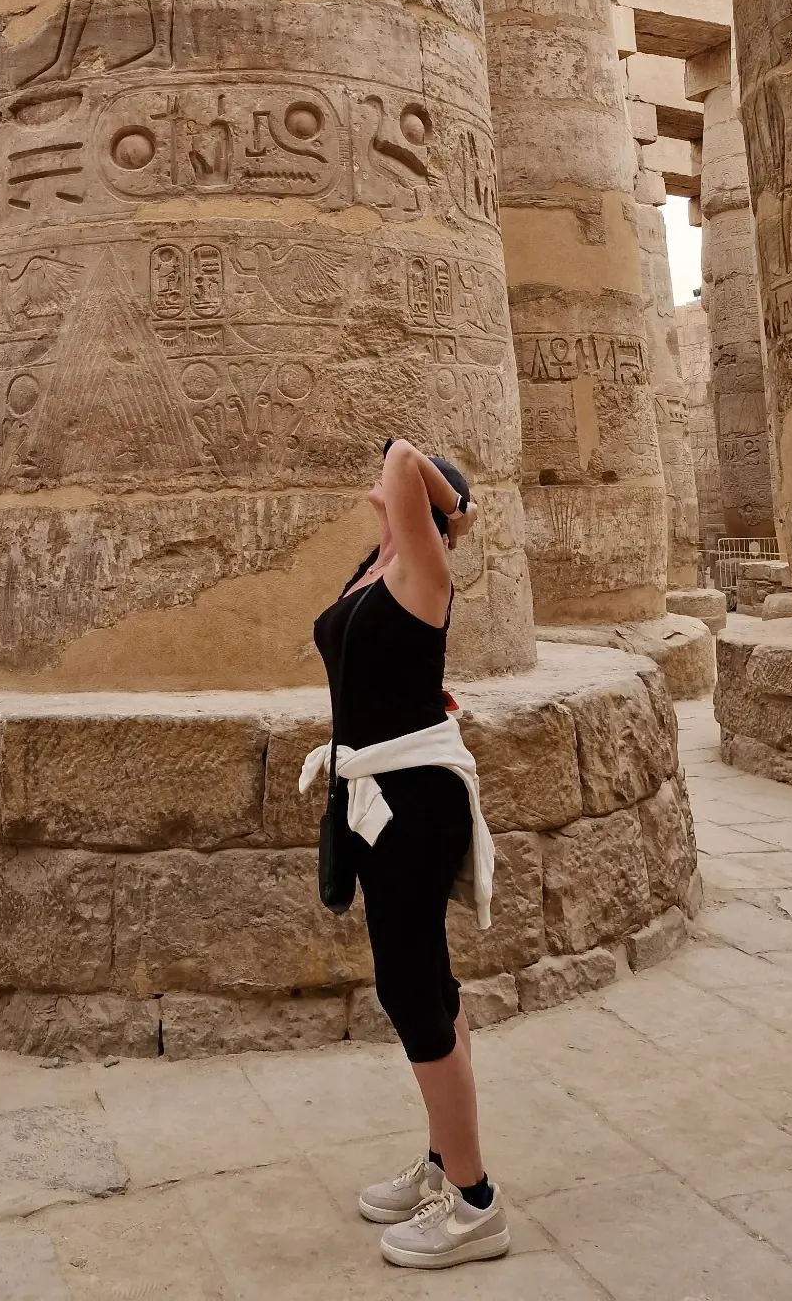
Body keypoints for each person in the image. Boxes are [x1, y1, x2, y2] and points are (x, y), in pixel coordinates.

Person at [311, 437, 509, 1271]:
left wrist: (455, 511)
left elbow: (399, 457)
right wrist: (407, 519)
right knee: (428, 980)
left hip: (413, 802)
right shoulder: (380, 568)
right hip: (377, 796)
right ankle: (441, 1160)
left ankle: (472, 1203)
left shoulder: (425, 572)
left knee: (408, 986)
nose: (378, 485)